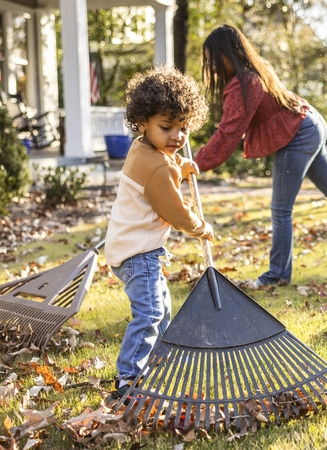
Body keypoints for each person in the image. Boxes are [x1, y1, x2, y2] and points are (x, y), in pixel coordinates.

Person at [194, 25, 327, 288]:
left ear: (229, 53)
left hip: (298, 133)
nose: (211, 67)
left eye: (214, 59)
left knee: (281, 209)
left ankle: (277, 275)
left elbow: (228, 133)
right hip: (309, 122)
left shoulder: (245, 83)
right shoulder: (257, 70)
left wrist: (195, 163)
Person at [104, 66, 214, 403]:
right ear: (142, 122)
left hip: (130, 249)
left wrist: (181, 166)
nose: (177, 136)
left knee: (162, 308)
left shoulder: (141, 149)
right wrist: (201, 227)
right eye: (166, 128)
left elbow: (160, 165)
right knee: (150, 313)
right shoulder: (157, 166)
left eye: (183, 128)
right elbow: (175, 212)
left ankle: (157, 366)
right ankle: (128, 378)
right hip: (138, 255)